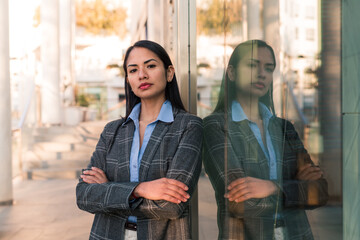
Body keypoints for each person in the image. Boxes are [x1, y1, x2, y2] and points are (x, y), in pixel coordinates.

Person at [76, 40, 203, 240]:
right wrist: (141, 189)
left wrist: (108, 189)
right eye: (133, 70)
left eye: (150, 66)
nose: (142, 75)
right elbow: (85, 195)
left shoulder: (189, 126)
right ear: (128, 80)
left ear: (169, 73)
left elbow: (172, 205)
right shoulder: (112, 131)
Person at [203, 40, 328, 240]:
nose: (261, 73)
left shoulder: (284, 128)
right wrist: (297, 186)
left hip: (296, 234)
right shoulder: (215, 126)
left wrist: (271, 187)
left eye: (268, 68)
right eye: (252, 65)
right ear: (232, 73)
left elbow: (319, 192)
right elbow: (241, 203)